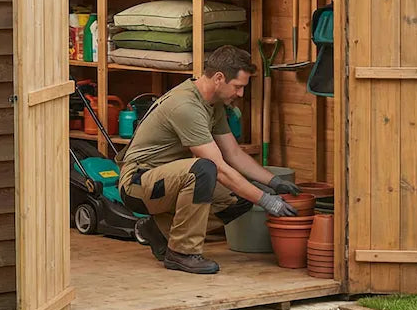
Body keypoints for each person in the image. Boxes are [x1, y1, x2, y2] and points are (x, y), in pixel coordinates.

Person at [119, 45, 299, 274]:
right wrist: (268, 201)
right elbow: (220, 169)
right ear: (219, 78)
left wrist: (273, 182)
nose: (241, 94)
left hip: (169, 179)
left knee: (240, 197)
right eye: (238, 87)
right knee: (204, 169)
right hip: (138, 184)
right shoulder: (186, 106)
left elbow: (233, 154)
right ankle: (182, 252)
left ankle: (160, 231)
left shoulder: (213, 105)